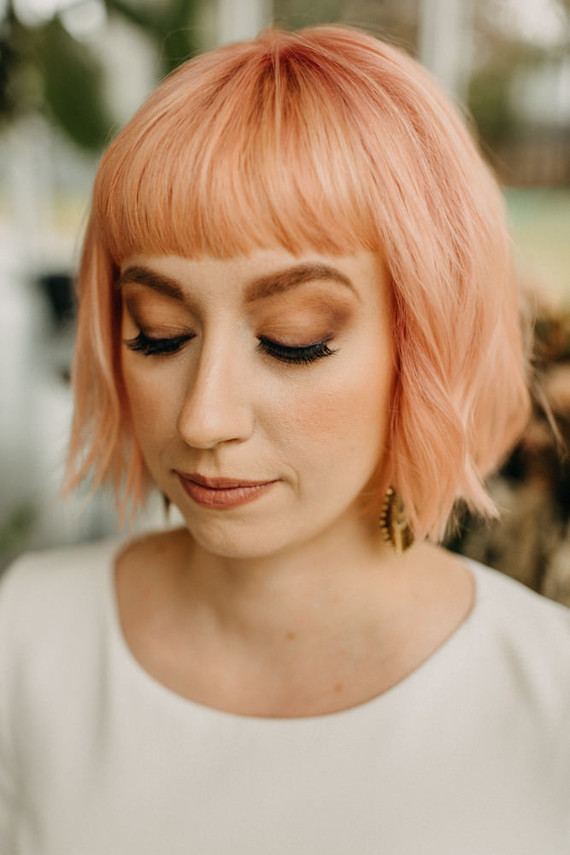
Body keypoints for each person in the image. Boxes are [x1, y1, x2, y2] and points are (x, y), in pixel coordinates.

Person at [1, 24, 569, 855]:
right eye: (157, 331)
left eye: (293, 338)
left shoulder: (550, 697)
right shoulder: (27, 640)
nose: (202, 417)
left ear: (426, 343)